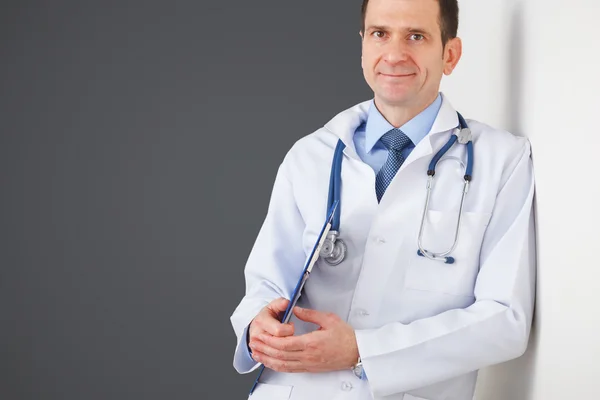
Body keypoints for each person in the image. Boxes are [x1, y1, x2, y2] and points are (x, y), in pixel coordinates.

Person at [230, 0, 536, 399]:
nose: (394, 54)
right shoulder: (312, 155)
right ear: (363, 46)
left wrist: (363, 351)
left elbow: (505, 319)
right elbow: (267, 280)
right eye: (380, 34)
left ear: (450, 54)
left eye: (416, 36)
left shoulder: (502, 161)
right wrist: (258, 321)